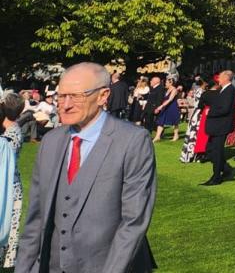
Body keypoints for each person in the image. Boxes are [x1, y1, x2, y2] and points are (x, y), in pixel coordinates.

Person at [15, 62, 156, 273]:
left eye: (77, 96)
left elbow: (133, 222)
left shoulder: (132, 141)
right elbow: (36, 218)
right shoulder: (50, 142)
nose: (66, 104)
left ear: (102, 96)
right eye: (61, 96)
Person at [2, 91, 25, 269]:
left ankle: (7, 257)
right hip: (11, 182)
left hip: (8, 185)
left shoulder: (9, 135)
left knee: (8, 221)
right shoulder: (11, 130)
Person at [203, 70, 235, 185]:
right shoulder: (223, 90)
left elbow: (225, 108)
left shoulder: (230, 90)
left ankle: (216, 176)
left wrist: (210, 112)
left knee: (217, 150)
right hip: (217, 124)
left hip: (221, 125)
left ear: (226, 78)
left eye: (221, 77)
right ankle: (225, 168)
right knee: (211, 149)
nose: (218, 79)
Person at [179, 76, 208, 164]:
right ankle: (194, 155)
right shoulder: (201, 92)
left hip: (196, 113)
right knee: (196, 134)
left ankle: (190, 154)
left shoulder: (198, 90)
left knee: (193, 133)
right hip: (199, 113)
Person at [152, 75, 182, 143]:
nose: (165, 83)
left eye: (166, 82)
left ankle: (176, 135)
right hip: (166, 107)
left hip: (172, 107)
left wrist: (161, 106)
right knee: (161, 120)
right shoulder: (167, 89)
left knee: (174, 122)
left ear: (171, 82)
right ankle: (157, 136)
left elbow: (170, 100)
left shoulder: (174, 89)